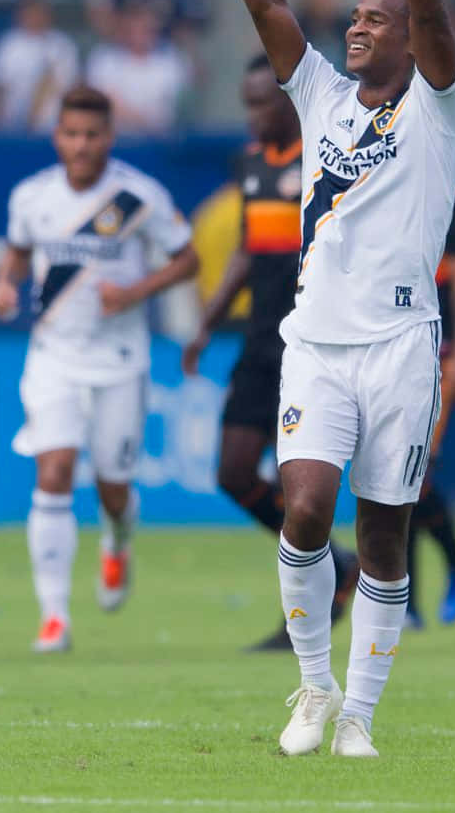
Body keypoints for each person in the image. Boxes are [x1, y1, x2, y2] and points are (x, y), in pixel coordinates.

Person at [188, 0, 455, 758]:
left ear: (407, 41)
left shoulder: (436, 105)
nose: (358, 24)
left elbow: (433, 21)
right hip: (316, 342)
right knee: (305, 508)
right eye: (355, 14)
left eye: (375, 19)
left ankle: (361, 714)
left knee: (384, 537)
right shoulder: (319, 98)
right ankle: (314, 689)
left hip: (400, 348)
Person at [0, 85, 199, 653]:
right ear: (57, 136)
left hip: (120, 361)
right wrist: (4, 285)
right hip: (53, 356)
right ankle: (53, 617)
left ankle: (117, 538)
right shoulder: (31, 197)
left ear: (109, 136)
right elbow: (15, 251)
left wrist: (137, 292)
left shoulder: (138, 196)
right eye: (72, 134)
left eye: (93, 135)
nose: (81, 146)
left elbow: (188, 259)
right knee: (52, 472)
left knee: (112, 487)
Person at [181, 54, 359, 652]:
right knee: (233, 472)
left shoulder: (325, 159)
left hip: (311, 341)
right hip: (260, 340)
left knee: (300, 478)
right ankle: (337, 562)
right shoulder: (250, 163)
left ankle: (313, 603)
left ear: (291, 101)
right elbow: (248, 248)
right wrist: (206, 321)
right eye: (248, 103)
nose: (255, 115)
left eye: (265, 102)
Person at [405, 185, 455, 629]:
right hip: (387, 345)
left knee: (415, 471)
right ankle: (408, 594)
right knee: (394, 469)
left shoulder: (447, 191)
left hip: (438, 350)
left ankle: (452, 563)